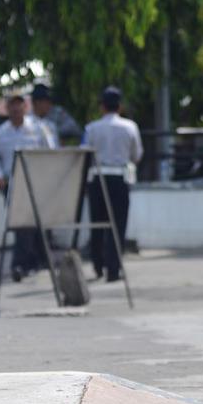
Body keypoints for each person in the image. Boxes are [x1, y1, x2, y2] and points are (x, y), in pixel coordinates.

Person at [0, 94, 57, 280]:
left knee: (37, 223)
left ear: (25, 107)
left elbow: (50, 151)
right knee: (20, 223)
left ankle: (34, 261)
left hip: (35, 182)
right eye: (12, 107)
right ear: (7, 109)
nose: (16, 111)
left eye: (19, 107)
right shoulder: (0, 132)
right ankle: (21, 264)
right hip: (13, 183)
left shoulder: (38, 127)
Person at [83, 86, 143, 283]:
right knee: (118, 225)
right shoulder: (130, 127)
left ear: (102, 107)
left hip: (97, 179)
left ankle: (98, 265)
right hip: (119, 178)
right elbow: (137, 155)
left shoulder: (91, 128)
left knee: (97, 224)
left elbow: (85, 154)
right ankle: (113, 270)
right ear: (120, 106)